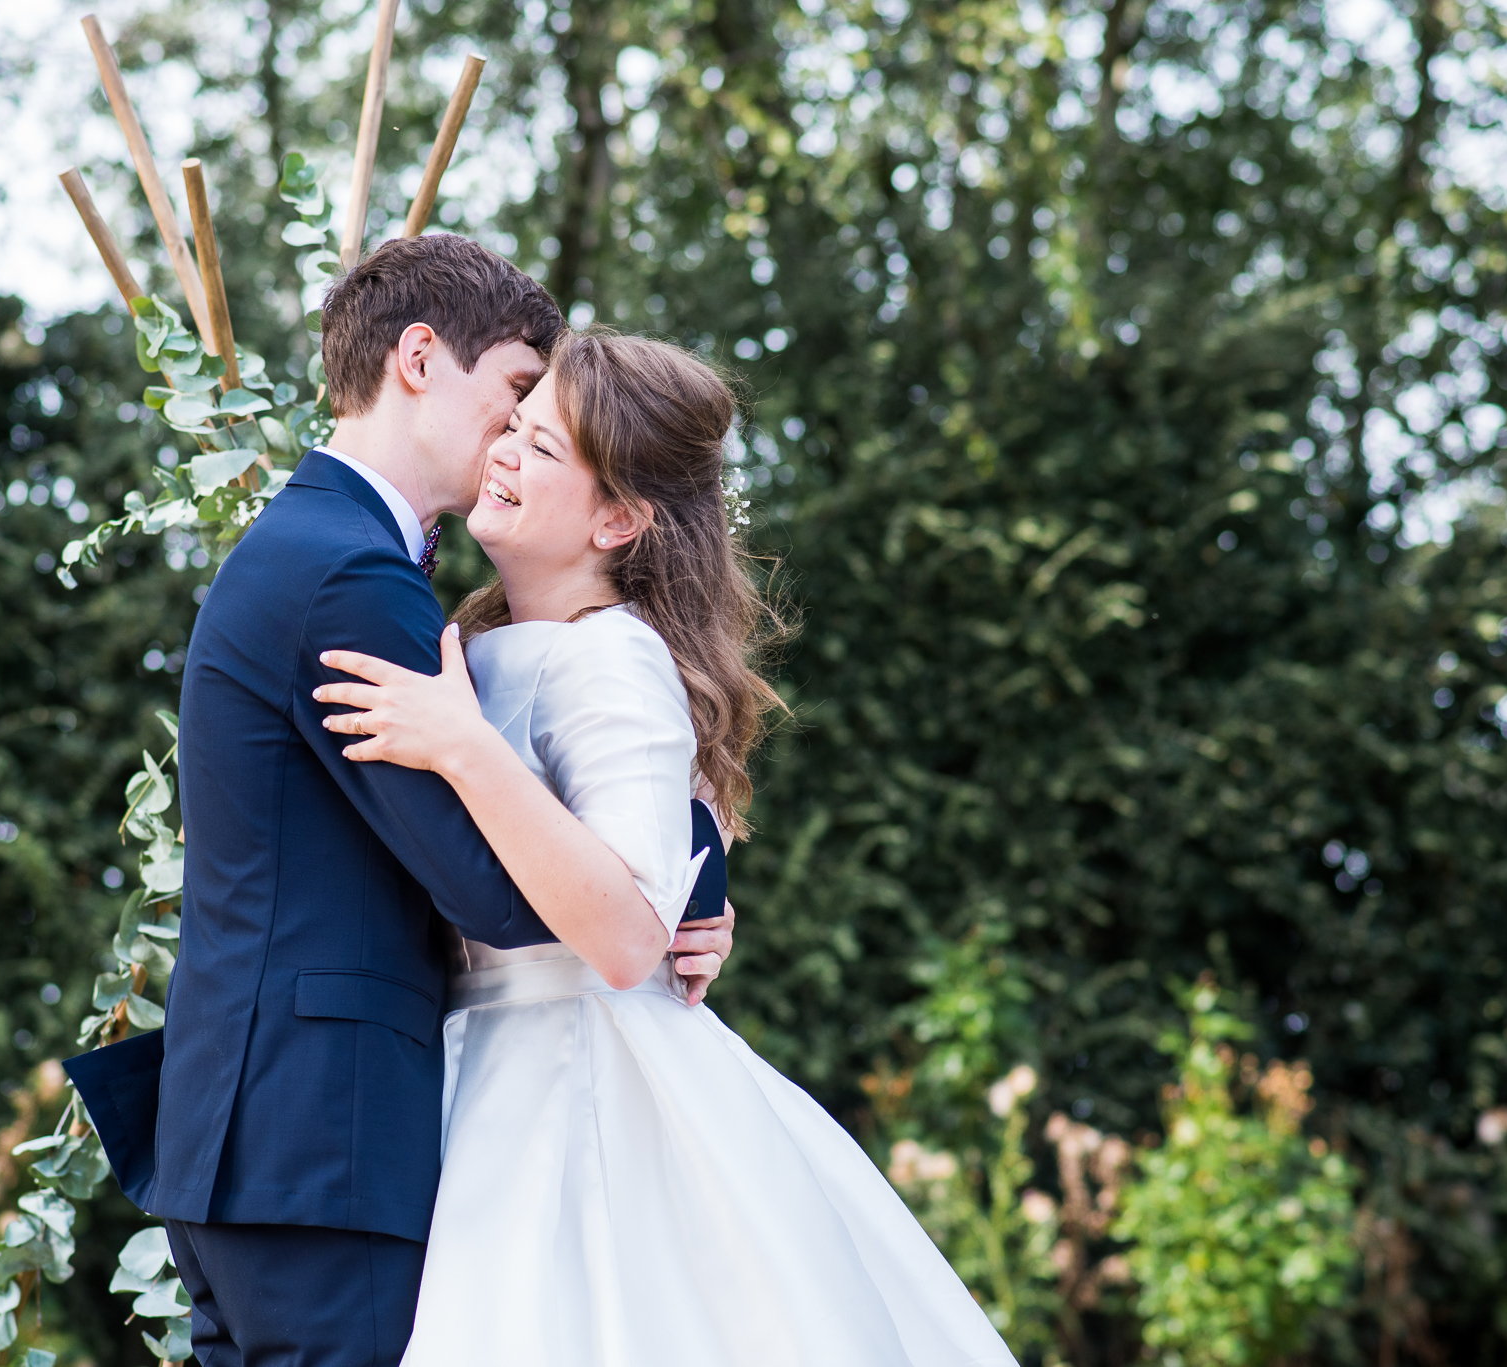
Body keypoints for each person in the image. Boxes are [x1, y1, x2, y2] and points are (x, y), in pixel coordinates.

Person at [67, 236, 736, 1367]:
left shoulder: (343, 556)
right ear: (419, 358)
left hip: (273, 1136)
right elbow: (495, 891)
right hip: (320, 1141)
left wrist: (688, 866)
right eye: (517, 395)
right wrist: (658, 893)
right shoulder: (351, 574)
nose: (517, 435)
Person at [311, 328, 1016, 1365]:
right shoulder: (480, 639)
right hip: (477, 1058)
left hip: (572, 1077)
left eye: (542, 448)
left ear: (617, 518)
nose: (503, 450)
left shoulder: (614, 657)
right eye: (511, 424)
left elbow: (628, 937)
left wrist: (466, 749)